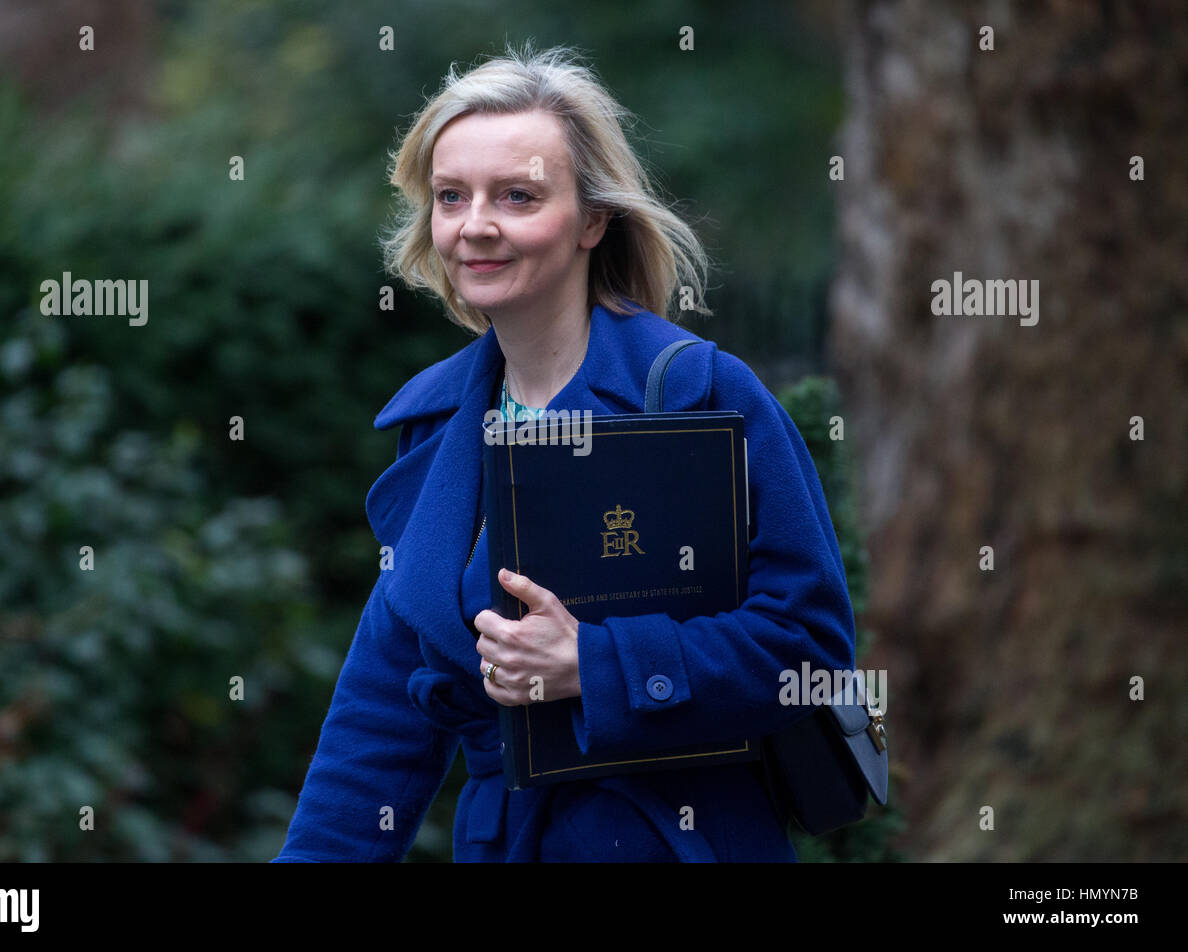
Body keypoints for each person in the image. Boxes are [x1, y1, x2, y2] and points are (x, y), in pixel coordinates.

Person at [273, 41, 855, 862]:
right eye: (451, 196)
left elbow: (812, 653)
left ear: (591, 218)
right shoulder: (436, 426)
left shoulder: (701, 393)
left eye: (517, 195)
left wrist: (597, 663)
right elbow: (380, 716)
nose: (475, 225)